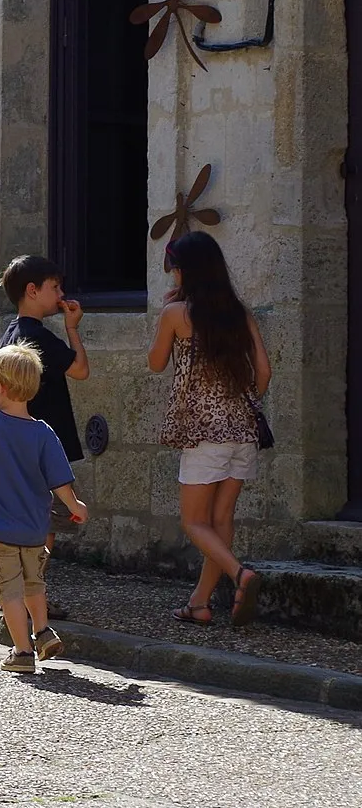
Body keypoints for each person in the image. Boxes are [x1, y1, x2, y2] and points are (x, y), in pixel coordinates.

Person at [146, 231, 272, 627]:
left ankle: (240, 574)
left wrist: (166, 314)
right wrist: (241, 403)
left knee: (194, 522)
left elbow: (155, 362)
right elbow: (264, 372)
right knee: (221, 521)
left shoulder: (177, 315)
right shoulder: (239, 313)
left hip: (204, 434)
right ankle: (200, 603)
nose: (174, 276)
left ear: (187, 271)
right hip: (243, 431)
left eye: (176, 269)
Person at [0, 344, 88, 675]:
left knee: (7, 592)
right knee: (33, 583)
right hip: (33, 529)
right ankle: (42, 631)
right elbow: (59, 481)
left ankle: (22, 652)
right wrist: (76, 506)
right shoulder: (43, 432)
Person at [0, 256, 89, 464]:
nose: (61, 294)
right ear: (32, 290)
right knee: (60, 497)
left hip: (19, 442)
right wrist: (72, 328)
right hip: (42, 444)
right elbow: (80, 370)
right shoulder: (37, 336)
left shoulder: (10, 334)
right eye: (55, 287)